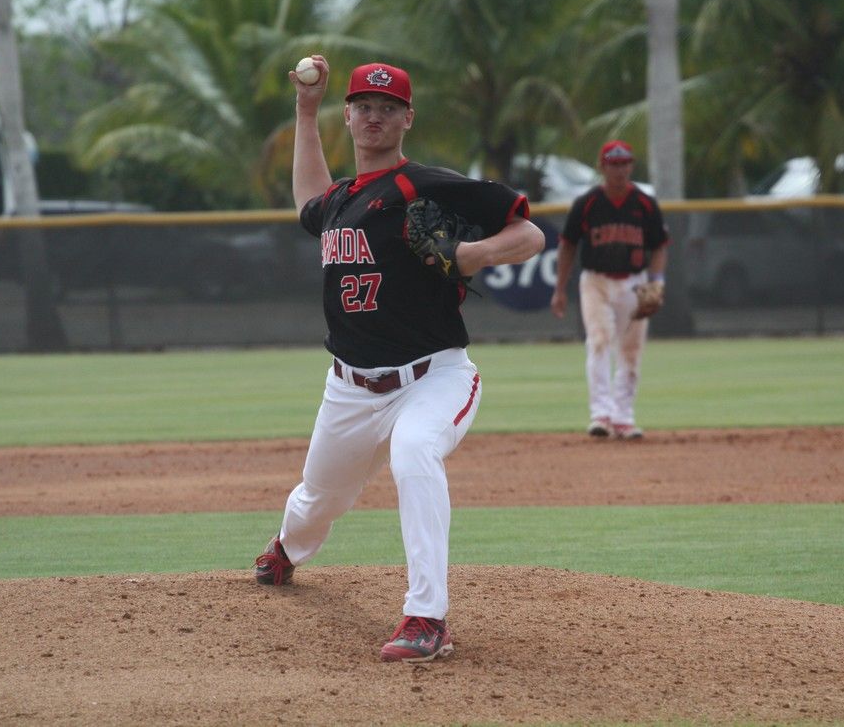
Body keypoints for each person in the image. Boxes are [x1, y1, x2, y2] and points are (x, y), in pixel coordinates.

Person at [254, 56, 544, 663]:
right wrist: (306, 113)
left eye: (388, 108)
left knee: (415, 452)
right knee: (317, 499)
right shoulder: (339, 201)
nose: (374, 117)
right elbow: (310, 198)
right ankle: (287, 549)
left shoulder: (425, 184)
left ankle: (426, 617)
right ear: (350, 116)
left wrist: (470, 255)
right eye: (364, 106)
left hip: (432, 375)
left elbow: (531, 236)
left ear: (407, 118)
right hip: (350, 388)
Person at [550, 140, 670, 439]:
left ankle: (623, 417)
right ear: (602, 167)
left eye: (625, 163)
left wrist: (657, 281)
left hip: (634, 282)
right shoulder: (587, 203)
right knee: (600, 341)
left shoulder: (644, 203)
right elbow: (567, 245)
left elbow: (659, 246)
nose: (620, 169)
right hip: (596, 281)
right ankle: (601, 415)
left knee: (631, 350)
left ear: (631, 165)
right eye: (613, 164)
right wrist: (560, 288)